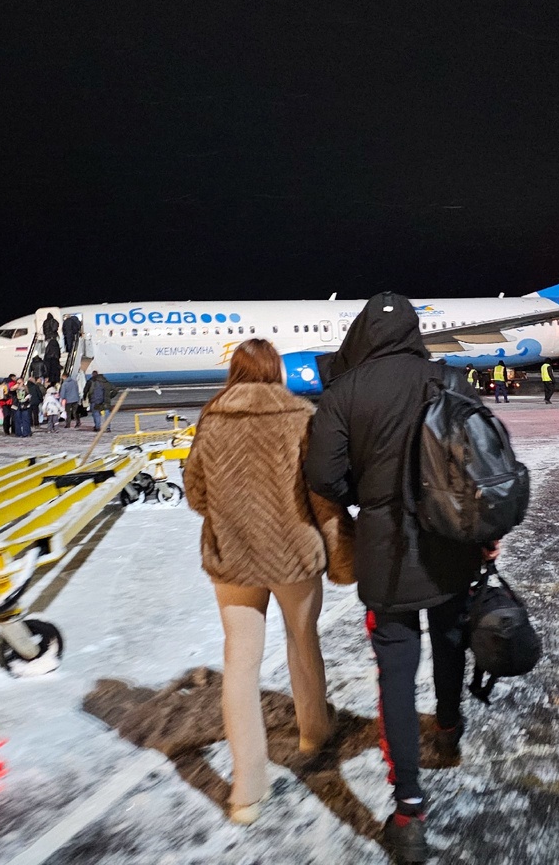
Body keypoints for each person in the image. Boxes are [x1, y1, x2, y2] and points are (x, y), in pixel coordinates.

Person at [306, 292, 500, 863]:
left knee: (394, 667)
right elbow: (481, 459)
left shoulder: (344, 392)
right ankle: (448, 723)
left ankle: (408, 810)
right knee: (448, 636)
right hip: (450, 542)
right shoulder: (449, 378)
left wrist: (368, 499)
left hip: (384, 550)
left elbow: (323, 475)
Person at [184, 339, 353, 825]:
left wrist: (233, 514)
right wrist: (335, 542)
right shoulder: (300, 414)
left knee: (239, 665)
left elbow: (196, 492)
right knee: (303, 640)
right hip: (293, 555)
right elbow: (320, 490)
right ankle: (314, 734)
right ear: (276, 370)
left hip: (232, 559)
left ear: (234, 372)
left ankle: (246, 792)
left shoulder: (212, 417)